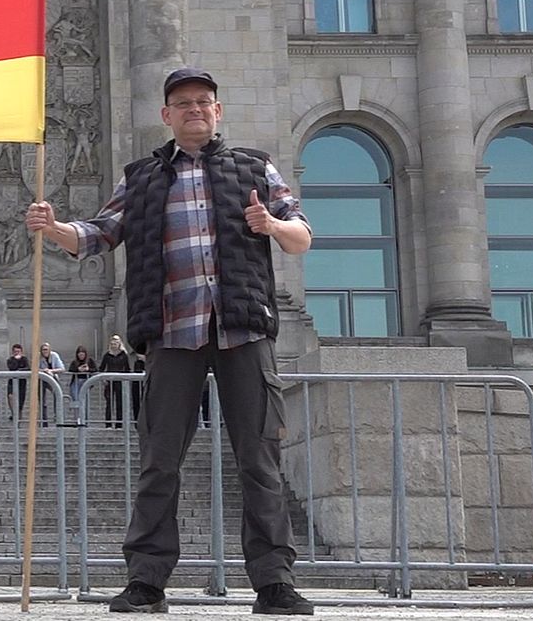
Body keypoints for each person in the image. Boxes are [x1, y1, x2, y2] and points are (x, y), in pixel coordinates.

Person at [24, 65, 315, 616]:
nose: (194, 110)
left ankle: (275, 583)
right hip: (170, 332)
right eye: (183, 103)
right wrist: (54, 227)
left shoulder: (254, 168)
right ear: (167, 115)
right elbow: (100, 234)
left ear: (218, 111)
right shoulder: (141, 178)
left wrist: (272, 226)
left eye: (204, 101)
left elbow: (300, 235)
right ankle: (146, 582)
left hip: (243, 330)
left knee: (260, 460)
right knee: (159, 462)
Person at [99, 335, 134, 431]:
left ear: (119, 344)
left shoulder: (124, 355)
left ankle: (119, 424)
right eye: (112, 344)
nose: (114, 345)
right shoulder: (107, 355)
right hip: (109, 381)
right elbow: (101, 368)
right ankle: (108, 424)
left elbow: (127, 369)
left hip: (120, 381)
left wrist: (126, 378)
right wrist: (103, 379)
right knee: (109, 403)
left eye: (116, 343)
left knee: (120, 403)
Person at [5, 343, 31, 421]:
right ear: (13, 352)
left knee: (20, 402)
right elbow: (12, 368)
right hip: (12, 381)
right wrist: (16, 360)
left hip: (22, 382)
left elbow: (28, 368)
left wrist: (19, 370)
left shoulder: (24, 359)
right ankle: (14, 413)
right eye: (15, 351)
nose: (17, 353)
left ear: (21, 352)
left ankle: (18, 418)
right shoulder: (10, 360)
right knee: (10, 396)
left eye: (18, 351)